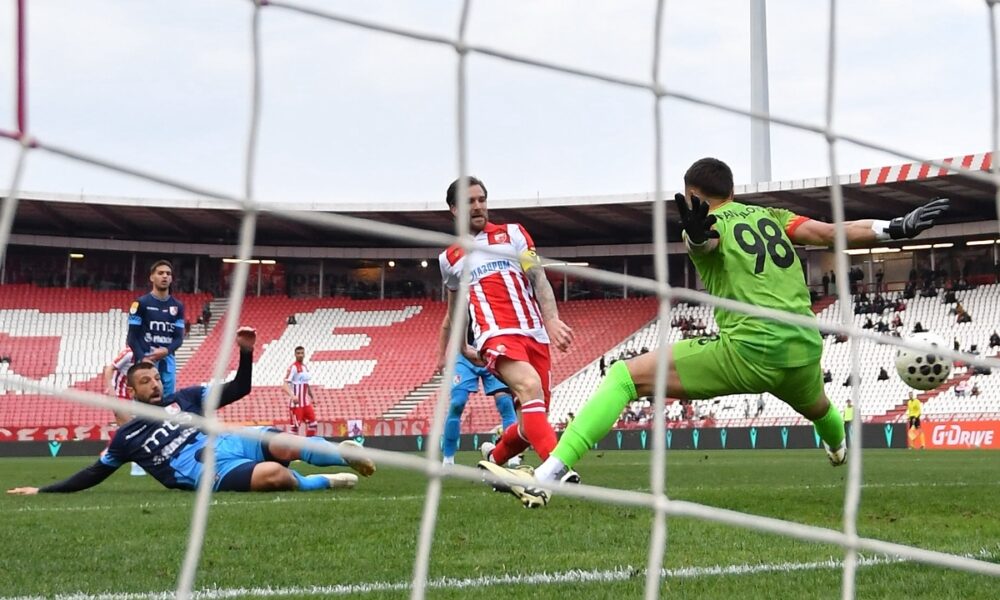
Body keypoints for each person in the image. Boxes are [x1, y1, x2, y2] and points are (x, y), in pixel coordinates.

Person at [483, 157, 949, 507]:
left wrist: (695, 234)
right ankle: (838, 446)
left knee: (625, 377)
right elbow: (830, 234)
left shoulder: (704, 224)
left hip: (748, 350)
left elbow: (705, 239)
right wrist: (894, 227)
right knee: (821, 407)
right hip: (804, 348)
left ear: (695, 196)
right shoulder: (773, 217)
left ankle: (548, 475)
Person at [7, 328, 375, 495]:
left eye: (156, 378)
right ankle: (321, 482)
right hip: (207, 468)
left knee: (289, 443)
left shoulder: (184, 398)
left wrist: (246, 354)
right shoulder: (128, 437)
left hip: (231, 441)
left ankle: (344, 454)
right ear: (132, 391)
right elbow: (92, 473)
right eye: (146, 381)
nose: (155, 384)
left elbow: (239, 389)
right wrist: (43, 490)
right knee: (275, 475)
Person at [438, 176, 576, 481]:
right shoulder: (450, 258)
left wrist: (551, 319)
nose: (478, 206)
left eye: (481, 199)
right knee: (528, 385)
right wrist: (460, 346)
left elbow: (538, 277)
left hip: (534, 333)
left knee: (530, 423)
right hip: (495, 335)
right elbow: (455, 306)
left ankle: (494, 458)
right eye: (469, 201)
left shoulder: (513, 234)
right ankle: (557, 470)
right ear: (454, 209)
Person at [128, 260, 185, 396]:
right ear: (152, 277)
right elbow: (131, 338)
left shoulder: (178, 306)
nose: (165, 276)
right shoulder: (140, 303)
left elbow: (178, 338)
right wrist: (143, 358)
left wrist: (167, 350)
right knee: (145, 405)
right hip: (146, 361)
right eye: (160, 273)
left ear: (171, 279)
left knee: (168, 402)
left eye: (168, 274)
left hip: (168, 362)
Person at [285, 346, 318, 436]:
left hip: (306, 403)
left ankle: (309, 445)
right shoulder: (293, 367)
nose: (300, 355)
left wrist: (312, 396)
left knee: (313, 424)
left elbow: (306, 384)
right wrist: (293, 396)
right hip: (296, 404)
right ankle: (290, 448)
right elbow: (284, 385)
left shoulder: (305, 367)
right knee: (295, 428)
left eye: (302, 353)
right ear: (295, 354)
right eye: (298, 353)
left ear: (304, 354)